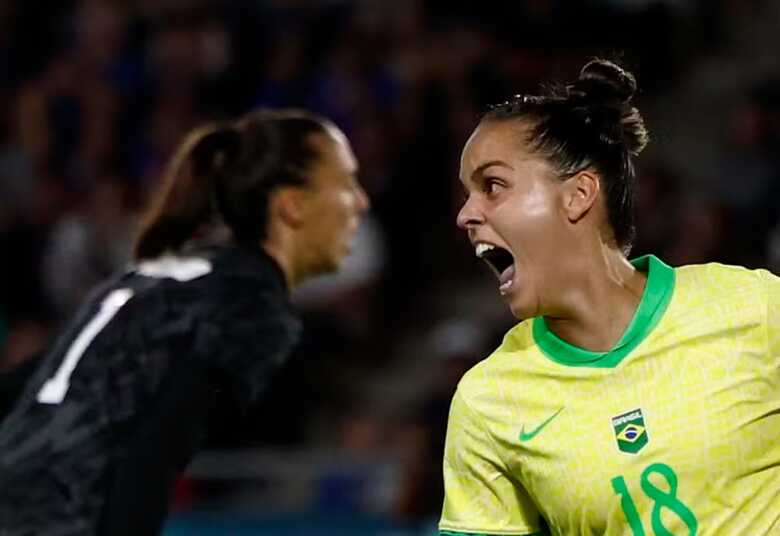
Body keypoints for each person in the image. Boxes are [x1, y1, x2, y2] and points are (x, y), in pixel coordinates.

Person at [439, 59, 780, 535]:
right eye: (467, 193)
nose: (466, 215)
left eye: (492, 185)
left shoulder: (753, 308)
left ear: (579, 194)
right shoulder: (488, 402)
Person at [0, 108, 369, 536]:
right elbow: (156, 448)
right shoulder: (250, 304)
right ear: (292, 205)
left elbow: (32, 383)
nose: (361, 201)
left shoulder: (156, 277)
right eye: (346, 183)